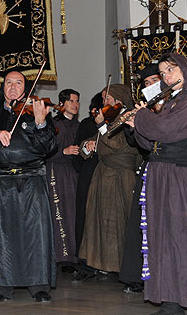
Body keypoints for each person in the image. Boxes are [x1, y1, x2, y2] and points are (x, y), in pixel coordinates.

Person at [130, 53, 187, 315]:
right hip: (161, 174)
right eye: (162, 73)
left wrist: (141, 118)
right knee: (162, 238)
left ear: (185, 69)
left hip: (181, 176)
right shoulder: (172, 102)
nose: (166, 76)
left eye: (170, 70)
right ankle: (170, 300)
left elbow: (166, 130)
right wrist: (134, 125)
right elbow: (150, 143)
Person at [0, 70, 57, 303]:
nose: (13, 87)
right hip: (1, 180)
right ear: (3, 87)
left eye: (19, 83)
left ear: (26, 88)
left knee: (35, 235)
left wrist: (40, 124)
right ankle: (1, 286)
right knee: (0, 236)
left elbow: (49, 147)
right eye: (9, 82)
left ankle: (38, 286)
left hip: (31, 180)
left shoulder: (36, 110)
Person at [78, 84, 141, 275]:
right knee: (100, 222)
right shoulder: (109, 119)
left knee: (119, 223)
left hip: (121, 176)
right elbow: (95, 140)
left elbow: (118, 144)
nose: (104, 102)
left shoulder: (129, 117)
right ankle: (102, 264)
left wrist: (101, 125)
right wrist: (87, 147)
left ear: (119, 99)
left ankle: (122, 266)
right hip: (102, 175)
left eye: (108, 98)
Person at [119, 63, 160, 294]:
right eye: (146, 83)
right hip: (150, 170)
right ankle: (138, 276)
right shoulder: (145, 108)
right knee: (142, 226)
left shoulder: (174, 105)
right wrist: (132, 125)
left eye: (155, 80)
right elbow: (135, 142)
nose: (151, 86)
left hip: (173, 170)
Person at [46, 89, 80, 270]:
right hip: (56, 172)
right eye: (71, 101)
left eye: (77, 101)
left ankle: (74, 256)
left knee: (73, 213)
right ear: (62, 104)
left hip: (73, 173)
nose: (75, 105)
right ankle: (61, 256)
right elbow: (44, 151)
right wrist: (63, 151)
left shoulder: (79, 125)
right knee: (60, 213)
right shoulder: (52, 124)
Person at [71, 92, 102, 282]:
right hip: (89, 174)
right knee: (84, 217)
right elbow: (78, 151)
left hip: (110, 176)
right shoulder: (87, 124)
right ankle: (84, 262)